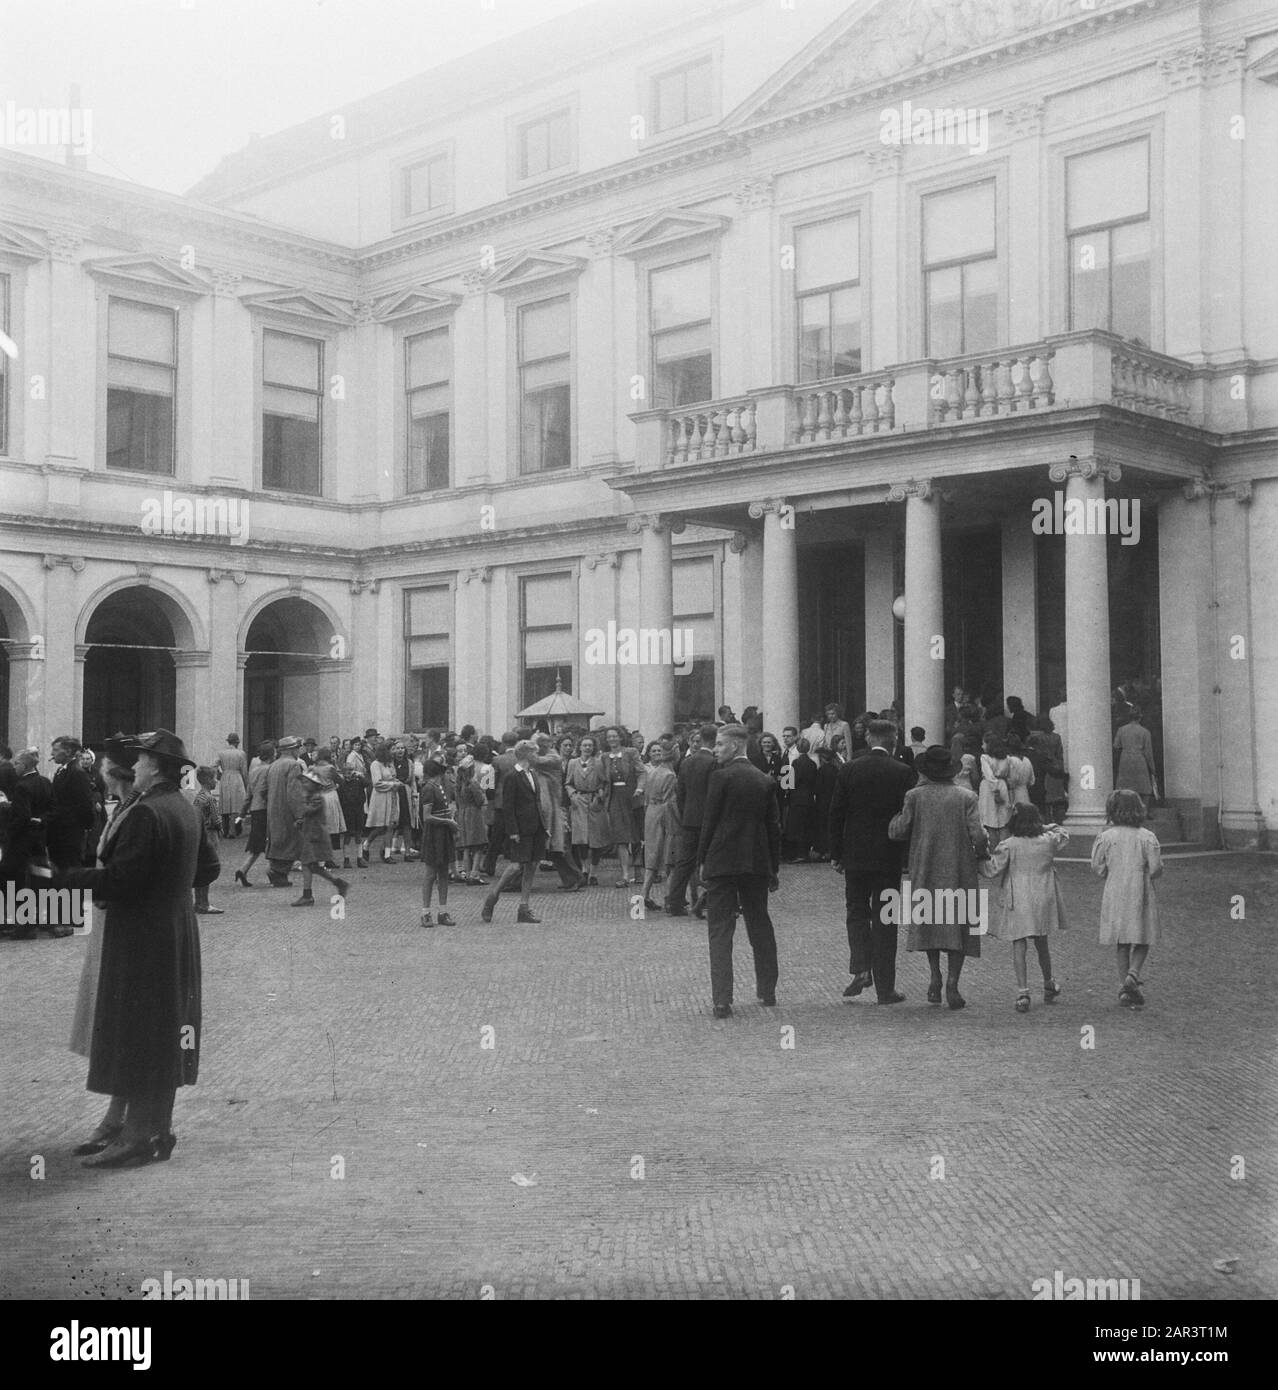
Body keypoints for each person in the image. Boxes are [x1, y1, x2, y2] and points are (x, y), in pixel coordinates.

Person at [56, 730, 220, 1167]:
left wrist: (64, 878)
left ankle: (138, 1137)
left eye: (144, 761)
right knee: (164, 1030)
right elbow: (209, 866)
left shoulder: (147, 813)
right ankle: (154, 1132)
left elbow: (120, 882)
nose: (138, 767)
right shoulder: (182, 808)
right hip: (175, 929)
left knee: (141, 1030)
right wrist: (172, 886)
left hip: (141, 936)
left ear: (157, 768)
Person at [68, 736, 139, 1156]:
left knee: (120, 1019)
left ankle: (121, 1118)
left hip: (122, 924)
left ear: (113, 771)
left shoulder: (139, 811)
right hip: (107, 922)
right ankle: (116, 1115)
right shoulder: (122, 808)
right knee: (110, 1020)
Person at [889, 746, 990, 1010]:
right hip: (959, 867)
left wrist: (894, 818)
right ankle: (953, 983)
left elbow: (899, 831)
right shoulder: (966, 796)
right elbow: (978, 835)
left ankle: (935, 976)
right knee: (959, 922)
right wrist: (982, 853)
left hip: (926, 866)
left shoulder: (914, 796)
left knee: (931, 920)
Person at [829, 719, 917, 1004]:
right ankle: (885, 987)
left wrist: (836, 853)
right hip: (888, 856)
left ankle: (860, 967)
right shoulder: (903, 772)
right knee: (885, 919)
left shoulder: (850, 768)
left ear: (868, 739)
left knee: (856, 911)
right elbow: (909, 818)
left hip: (854, 854)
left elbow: (836, 813)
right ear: (894, 741)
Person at [697, 724, 782, 1018]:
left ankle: (722, 999)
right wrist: (774, 869)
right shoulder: (764, 780)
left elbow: (709, 822)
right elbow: (773, 828)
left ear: (735, 746)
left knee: (720, 930)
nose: (716, 750)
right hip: (756, 862)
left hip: (722, 862)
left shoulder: (720, 777)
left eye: (720, 745)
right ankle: (767, 990)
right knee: (760, 925)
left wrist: (701, 861)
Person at [979, 802, 1067, 1013]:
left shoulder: (1009, 844)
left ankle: (1023, 991)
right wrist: (1046, 827)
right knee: (1042, 942)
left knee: (1019, 944)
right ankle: (1048, 981)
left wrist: (978, 858)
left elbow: (992, 870)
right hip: (1042, 896)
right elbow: (1063, 833)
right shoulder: (1047, 841)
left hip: (1018, 897)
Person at [1091, 789, 1162, 1008]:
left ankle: (1125, 988)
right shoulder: (1147, 836)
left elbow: (1097, 866)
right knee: (1142, 936)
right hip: (1139, 888)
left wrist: (1108, 873)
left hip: (1115, 890)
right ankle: (1132, 976)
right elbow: (1156, 868)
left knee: (1122, 941)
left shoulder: (1106, 837)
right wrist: (1148, 873)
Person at [482, 740, 548, 924]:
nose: (537, 757)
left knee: (532, 865)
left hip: (536, 826)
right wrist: (512, 830)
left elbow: (537, 802)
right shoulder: (512, 776)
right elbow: (508, 805)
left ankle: (524, 907)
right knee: (516, 865)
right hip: (520, 827)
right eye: (534, 754)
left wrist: (545, 826)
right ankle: (493, 896)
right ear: (526, 755)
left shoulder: (533, 774)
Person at [664, 722, 716, 918]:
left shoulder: (686, 762)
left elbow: (681, 793)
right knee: (712, 860)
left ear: (701, 739)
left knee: (683, 863)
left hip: (689, 820)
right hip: (708, 821)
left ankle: (675, 903)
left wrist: (686, 814)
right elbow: (714, 794)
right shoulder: (714, 762)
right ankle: (708, 900)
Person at [5, 748, 53, 938]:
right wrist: (41, 820)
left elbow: (22, 816)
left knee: (14, 879)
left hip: (21, 841)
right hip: (39, 839)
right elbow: (53, 808)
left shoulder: (21, 786)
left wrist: (9, 831)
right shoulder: (45, 782)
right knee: (38, 879)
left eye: (16, 763)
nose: (14, 766)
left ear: (24, 765)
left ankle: (22, 924)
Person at [292, 765, 350, 907]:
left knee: (307, 864)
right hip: (312, 834)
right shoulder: (312, 797)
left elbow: (309, 811)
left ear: (315, 785)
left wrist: (299, 806)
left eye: (307, 782)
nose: (304, 784)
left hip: (315, 835)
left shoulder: (317, 798)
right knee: (312, 866)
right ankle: (338, 882)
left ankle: (308, 895)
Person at [47, 736, 96, 885]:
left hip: (69, 833)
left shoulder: (77, 773)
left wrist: (82, 827)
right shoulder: (62, 771)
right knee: (62, 872)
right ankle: (63, 906)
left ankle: (73, 907)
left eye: (55, 750)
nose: (52, 754)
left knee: (71, 871)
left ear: (68, 751)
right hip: (60, 832)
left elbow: (85, 804)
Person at [417, 758, 458, 927]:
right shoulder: (428, 788)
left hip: (443, 833)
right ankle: (425, 912)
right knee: (430, 874)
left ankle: (443, 910)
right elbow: (426, 817)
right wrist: (448, 822)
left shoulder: (438, 786)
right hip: (434, 834)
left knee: (443, 873)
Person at [639, 741, 679, 911]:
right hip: (663, 814)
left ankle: (643, 895)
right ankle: (670, 897)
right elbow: (671, 802)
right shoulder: (670, 775)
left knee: (652, 855)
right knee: (670, 857)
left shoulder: (654, 772)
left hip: (651, 812)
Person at [601, 726, 643, 887]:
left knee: (636, 836)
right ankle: (625, 875)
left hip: (632, 796)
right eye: (609, 737)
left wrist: (640, 788)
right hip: (615, 798)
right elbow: (603, 779)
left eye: (614, 736)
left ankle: (638, 872)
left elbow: (641, 772)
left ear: (621, 737)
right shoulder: (605, 757)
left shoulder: (631, 752)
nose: (612, 739)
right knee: (621, 838)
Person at [264, 735, 307, 887]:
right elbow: (295, 792)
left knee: (278, 840)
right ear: (292, 749)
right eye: (297, 748)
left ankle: (276, 870)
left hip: (274, 809)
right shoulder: (293, 765)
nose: (299, 751)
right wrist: (300, 814)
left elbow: (264, 789)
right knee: (291, 841)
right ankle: (278, 873)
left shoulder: (274, 765)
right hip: (287, 810)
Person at [566, 734, 608, 884]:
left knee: (596, 840)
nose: (588, 748)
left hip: (594, 802)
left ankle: (594, 873)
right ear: (580, 747)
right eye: (585, 745)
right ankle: (584, 869)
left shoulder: (598, 763)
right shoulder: (572, 763)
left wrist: (600, 795)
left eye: (590, 745)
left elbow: (604, 782)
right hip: (579, 803)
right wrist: (572, 795)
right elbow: (568, 783)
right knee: (581, 840)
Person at [235, 743, 274, 887]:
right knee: (271, 842)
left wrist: (242, 814)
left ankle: (243, 869)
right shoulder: (270, 770)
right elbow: (268, 791)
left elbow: (248, 795)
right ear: (272, 754)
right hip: (266, 809)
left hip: (255, 809)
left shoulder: (254, 771)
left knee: (256, 845)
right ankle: (273, 872)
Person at [191, 767, 224, 915]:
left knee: (201, 868)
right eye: (214, 778)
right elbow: (216, 820)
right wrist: (221, 829)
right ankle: (204, 903)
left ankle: (199, 902)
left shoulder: (198, 797)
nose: (216, 781)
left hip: (200, 833)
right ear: (208, 780)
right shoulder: (210, 798)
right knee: (208, 867)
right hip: (210, 834)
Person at [362, 740, 399, 864]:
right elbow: (377, 783)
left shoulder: (389, 764)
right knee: (379, 826)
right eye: (391, 750)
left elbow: (393, 776)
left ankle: (387, 854)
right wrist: (393, 784)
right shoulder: (375, 765)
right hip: (381, 798)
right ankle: (366, 844)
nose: (393, 753)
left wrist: (397, 782)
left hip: (392, 796)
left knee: (390, 825)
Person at [781, 737, 817, 863]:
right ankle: (805, 852)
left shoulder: (796, 763)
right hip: (809, 798)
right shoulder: (812, 764)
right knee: (806, 825)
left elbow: (791, 782)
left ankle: (799, 854)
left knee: (797, 827)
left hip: (797, 798)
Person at [978, 733, 1014, 848]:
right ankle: (1004, 849)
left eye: (983, 743)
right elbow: (1010, 776)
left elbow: (989, 775)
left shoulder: (985, 757)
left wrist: (995, 791)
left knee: (990, 821)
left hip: (989, 788)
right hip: (1002, 785)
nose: (982, 746)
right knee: (1003, 820)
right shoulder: (1007, 758)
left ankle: (994, 850)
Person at [1113, 711, 1157, 800]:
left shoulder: (1121, 730)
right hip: (1139, 760)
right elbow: (1148, 753)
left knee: (1124, 788)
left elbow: (1116, 745)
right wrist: (1153, 769)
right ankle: (1142, 811)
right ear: (1140, 717)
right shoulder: (1145, 732)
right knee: (1143, 789)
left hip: (1125, 759)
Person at [215, 734, 248, 839]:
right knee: (236, 805)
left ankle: (224, 830)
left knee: (225, 804)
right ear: (237, 742)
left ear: (228, 742)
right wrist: (247, 784)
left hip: (225, 777)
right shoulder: (241, 753)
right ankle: (233, 831)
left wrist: (219, 774)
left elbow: (214, 765)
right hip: (237, 777)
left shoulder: (221, 753)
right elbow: (244, 770)